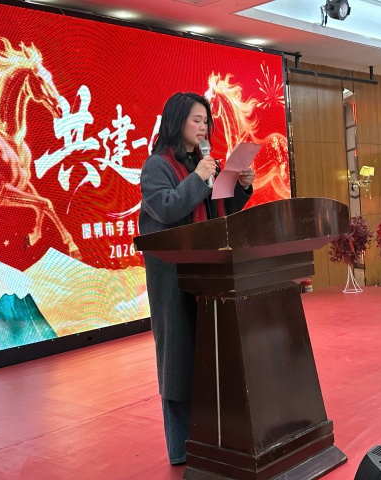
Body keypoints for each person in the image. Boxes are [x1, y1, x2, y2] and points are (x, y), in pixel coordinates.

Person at [139, 92, 254, 465]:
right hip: (173, 276)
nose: (204, 127)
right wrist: (199, 177)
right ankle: (182, 450)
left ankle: (215, 439)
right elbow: (167, 208)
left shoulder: (205, 164)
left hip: (208, 272)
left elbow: (219, 212)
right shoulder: (157, 166)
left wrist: (241, 185)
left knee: (210, 356)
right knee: (178, 361)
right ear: (177, 122)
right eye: (196, 120)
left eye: (206, 121)